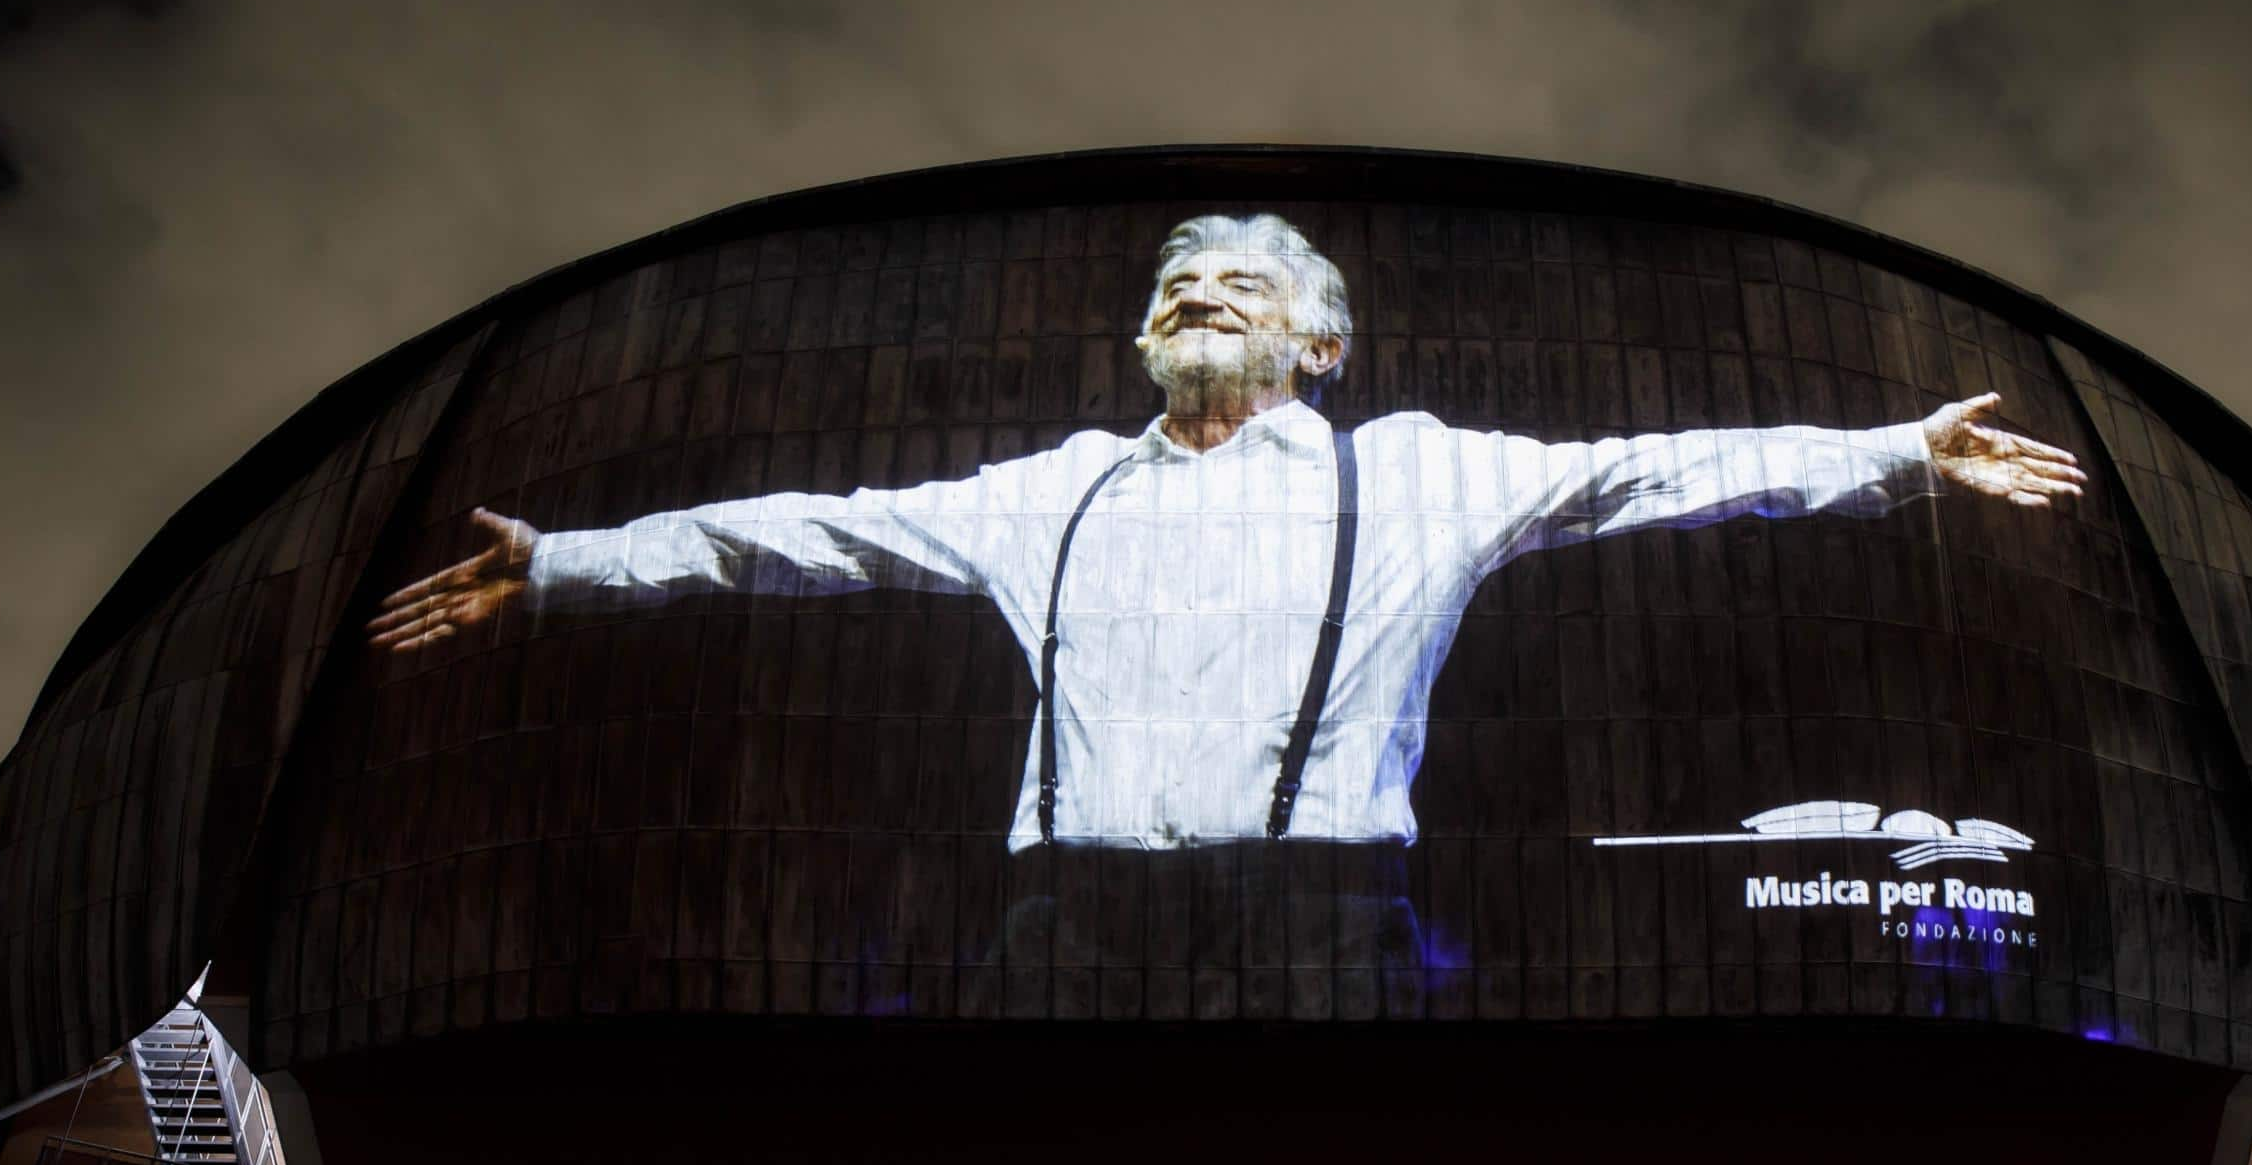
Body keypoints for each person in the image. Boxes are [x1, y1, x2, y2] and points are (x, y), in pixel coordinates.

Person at [369, 213, 2084, 856]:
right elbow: (804, 534)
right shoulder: (1049, 490)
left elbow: (1662, 468)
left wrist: (1897, 454)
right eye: (1177, 283)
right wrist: (573, 562)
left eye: (1242, 284)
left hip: (1330, 921)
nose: (1197, 295)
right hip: (1063, 933)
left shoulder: (1418, 473)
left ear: (1320, 348)